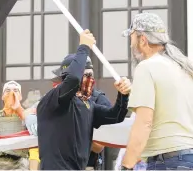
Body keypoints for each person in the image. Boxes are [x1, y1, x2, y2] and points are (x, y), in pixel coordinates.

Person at [36, 29, 131, 170]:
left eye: (91, 75)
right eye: (85, 75)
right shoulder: (53, 99)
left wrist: (123, 95)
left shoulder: (88, 105)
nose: (90, 80)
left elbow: (117, 115)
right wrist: (84, 47)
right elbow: (73, 79)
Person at [120, 12, 193, 170]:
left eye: (132, 38)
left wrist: (127, 165)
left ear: (143, 39)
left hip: (168, 161)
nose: (131, 45)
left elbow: (144, 122)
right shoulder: (184, 67)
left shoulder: (147, 67)